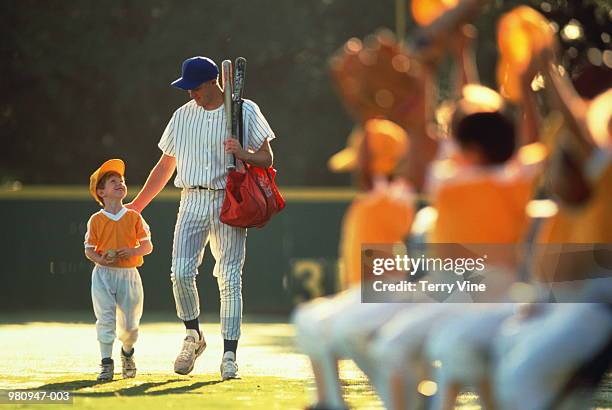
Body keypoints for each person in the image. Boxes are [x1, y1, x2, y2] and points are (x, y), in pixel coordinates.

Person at [126, 56, 275, 380]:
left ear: (213, 83)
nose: (190, 93)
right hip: (191, 199)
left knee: (229, 278)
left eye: (194, 87)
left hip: (228, 200)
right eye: (187, 88)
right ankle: (193, 336)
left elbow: (267, 156)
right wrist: (136, 206)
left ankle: (230, 355)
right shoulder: (181, 116)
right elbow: (166, 165)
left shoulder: (243, 110)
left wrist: (243, 153)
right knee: (180, 273)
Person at [292, 118, 414, 410]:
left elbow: (395, 204)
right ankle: (332, 403)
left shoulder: (390, 196)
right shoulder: (373, 198)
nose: (355, 170)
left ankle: (405, 400)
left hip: (386, 294)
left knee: (332, 328)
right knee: (310, 320)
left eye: (361, 162)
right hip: (365, 295)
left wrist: (375, 159)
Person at [84, 159, 153, 382]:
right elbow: (89, 249)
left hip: (129, 274)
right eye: (113, 181)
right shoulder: (96, 220)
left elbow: (147, 246)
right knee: (105, 318)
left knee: (130, 326)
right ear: (101, 192)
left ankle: (127, 352)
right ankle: (106, 363)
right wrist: (101, 260)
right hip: (103, 276)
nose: (120, 183)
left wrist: (131, 251)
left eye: (122, 180)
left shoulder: (134, 216)